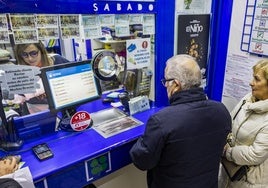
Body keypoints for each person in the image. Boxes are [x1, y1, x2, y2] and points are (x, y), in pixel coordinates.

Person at [129, 54, 232, 188]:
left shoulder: (161, 121)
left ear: (176, 85)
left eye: (166, 81)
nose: (165, 85)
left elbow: (142, 161)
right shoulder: (221, 111)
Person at [220, 59, 268, 188]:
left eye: (257, 79)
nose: (251, 83)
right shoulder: (248, 99)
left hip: (250, 181)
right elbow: (230, 121)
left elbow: (255, 155)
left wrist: (227, 152)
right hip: (229, 172)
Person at [12, 41, 70, 113]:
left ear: (41, 51)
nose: (30, 58)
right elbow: (14, 99)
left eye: (33, 53)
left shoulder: (57, 61)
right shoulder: (19, 72)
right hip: (37, 112)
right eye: (24, 54)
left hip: (63, 108)